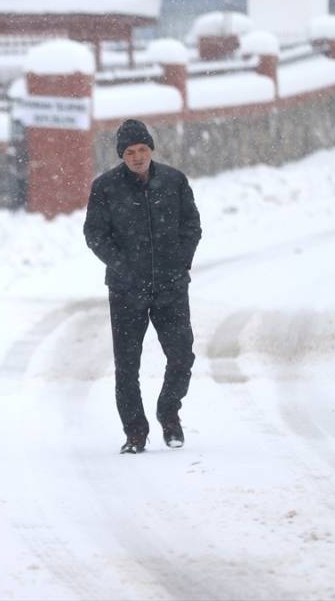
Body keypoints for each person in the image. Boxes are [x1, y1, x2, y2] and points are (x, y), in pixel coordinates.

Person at [83, 119, 202, 454]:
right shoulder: (105, 188)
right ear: (122, 155)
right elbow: (94, 234)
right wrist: (124, 266)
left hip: (171, 287)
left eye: (142, 150)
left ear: (151, 149)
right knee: (127, 367)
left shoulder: (174, 181)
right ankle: (135, 432)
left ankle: (169, 411)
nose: (137, 157)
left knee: (181, 355)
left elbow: (191, 226)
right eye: (130, 152)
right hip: (126, 291)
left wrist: (180, 263)